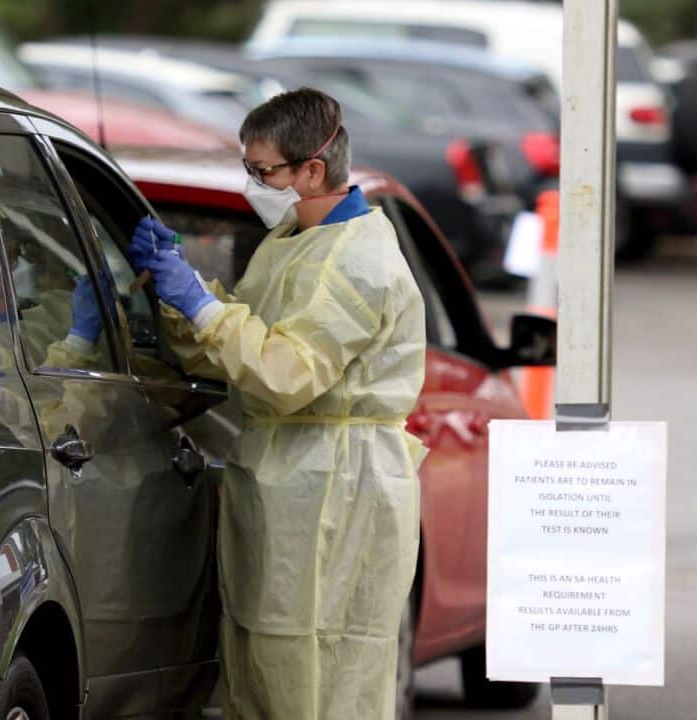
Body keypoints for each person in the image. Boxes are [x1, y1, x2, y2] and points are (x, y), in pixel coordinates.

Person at [128, 88, 428, 719]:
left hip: (337, 488)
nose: (252, 184)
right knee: (264, 664)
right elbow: (236, 350)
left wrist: (204, 306)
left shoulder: (359, 260)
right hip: (285, 480)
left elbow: (286, 372)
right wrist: (183, 299)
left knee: (320, 673)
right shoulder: (291, 240)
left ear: (312, 170)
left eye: (262, 172)